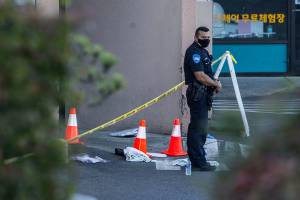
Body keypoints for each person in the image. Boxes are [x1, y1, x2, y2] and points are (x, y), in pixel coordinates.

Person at [184, 26, 222, 171]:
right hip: (197, 94)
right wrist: (215, 84)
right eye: (203, 37)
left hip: (204, 94)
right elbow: (199, 76)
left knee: (201, 127)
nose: (206, 40)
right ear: (196, 37)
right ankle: (198, 161)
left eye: (208, 38)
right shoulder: (194, 52)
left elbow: (208, 73)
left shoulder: (203, 51)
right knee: (197, 128)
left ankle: (199, 159)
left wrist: (215, 82)